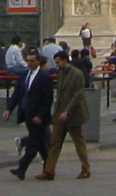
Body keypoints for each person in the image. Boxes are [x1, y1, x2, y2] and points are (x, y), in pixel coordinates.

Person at [38, 47, 91, 180]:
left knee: (79, 143)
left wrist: (67, 111)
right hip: (60, 114)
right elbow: (60, 94)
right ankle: (49, 170)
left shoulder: (77, 74)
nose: (57, 65)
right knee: (55, 143)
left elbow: (77, 95)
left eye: (58, 62)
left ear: (65, 60)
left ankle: (86, 168)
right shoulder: (61, 73)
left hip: (73, 115)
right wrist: (56, 113)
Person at [5, 47, 54, 179]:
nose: (29, 63)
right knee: (41, 144)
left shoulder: (44, 77)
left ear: (38, 61)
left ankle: (22, 168)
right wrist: (9, 109)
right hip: (27, 114)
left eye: (32, 61)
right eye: (28, 61)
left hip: (39, 117)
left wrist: (40, 115)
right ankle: (49, 170)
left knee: (33, 143)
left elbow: (47, 100)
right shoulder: (23, 75)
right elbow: (17, 94)